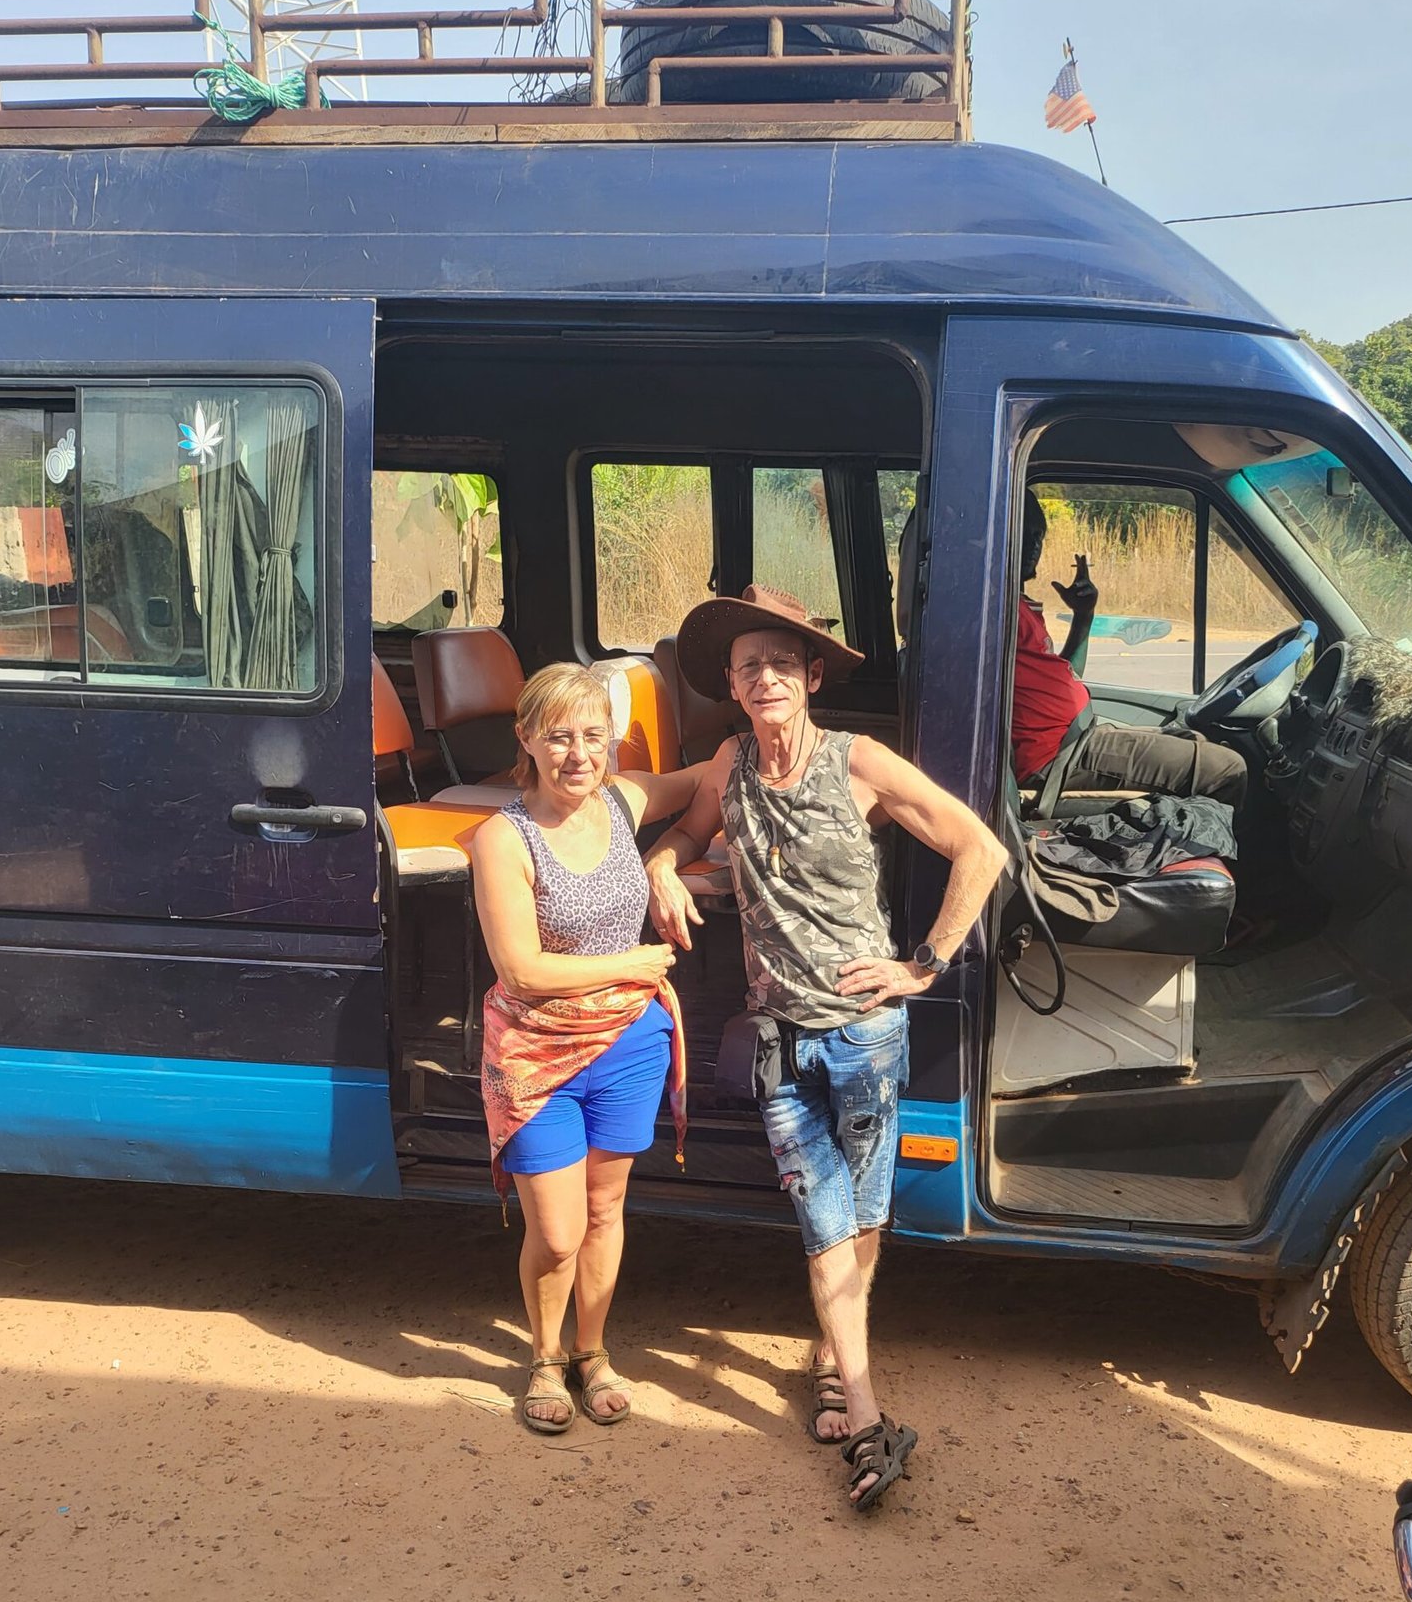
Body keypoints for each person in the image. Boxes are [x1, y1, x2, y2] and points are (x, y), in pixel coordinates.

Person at [645, 586, 1009, 1511]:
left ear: (811, 676)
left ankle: (834, 1359)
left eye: (781, 663)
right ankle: (863, 1395)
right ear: (731, 686)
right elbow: (688, 828)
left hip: (864, 1033)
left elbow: (981, 850)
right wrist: (661, 864)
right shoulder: (728, 763)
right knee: (825, 1219)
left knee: (863, 1212)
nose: (765, 678)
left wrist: (923, 964)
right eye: (748, 667)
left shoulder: (859, 763)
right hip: (778, 1039)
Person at [471, 663, 701, 1435]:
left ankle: (590, 1351)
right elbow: (522, 970)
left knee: (605, 1211)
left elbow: (711, 775)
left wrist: (668, 858)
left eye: (595, 736)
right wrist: (633, 963)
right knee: (559, 1230)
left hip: (629, 1045)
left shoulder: (624, 800)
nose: (579, 754)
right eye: (560, 736)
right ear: (526, 738)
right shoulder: (503, 838)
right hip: (538, 1052)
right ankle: (544, 1356)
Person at [1012, 492, 1248, 809]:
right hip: (1054, 756)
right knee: (1227, 769)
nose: (1033, 546)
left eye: (1038, 536)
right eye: (1022, 533)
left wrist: (1084, 614)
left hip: (1074, 736)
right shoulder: (998, 613)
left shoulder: (1020, 607)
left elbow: (1067, 676)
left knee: (1196, 740)